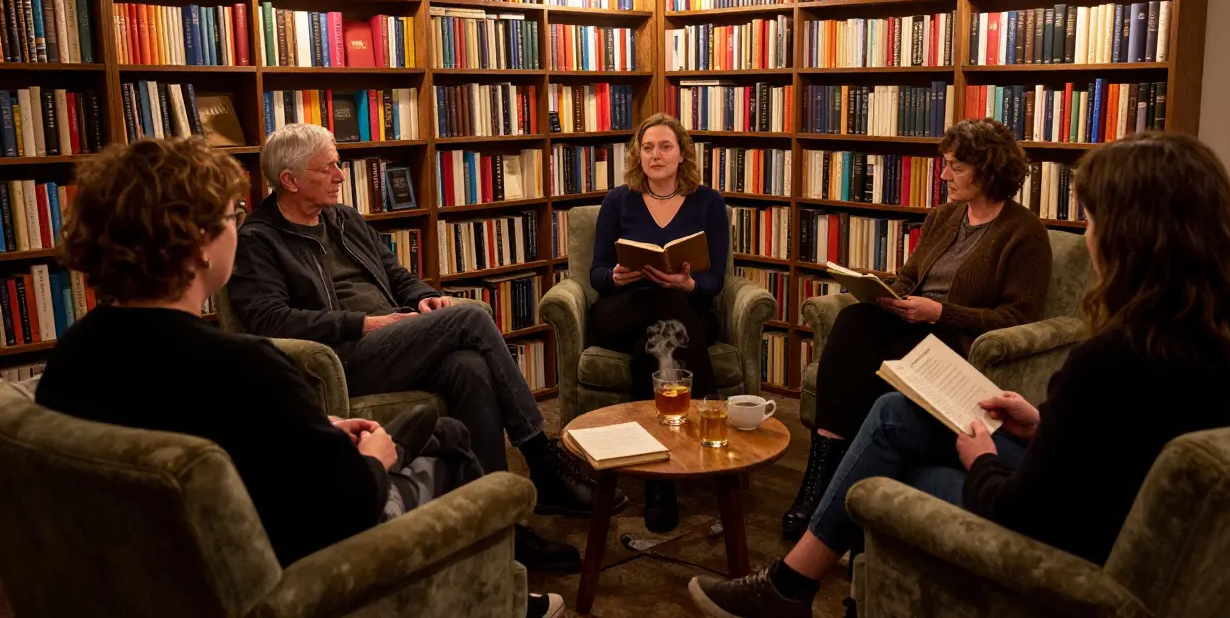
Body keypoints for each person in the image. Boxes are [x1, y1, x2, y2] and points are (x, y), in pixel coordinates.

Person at [689, 132, 1230, 618]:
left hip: (1080, 554)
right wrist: (1041, 422)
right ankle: (798, 581)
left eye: (1093, 219)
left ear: (1132, 239)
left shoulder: (1112, 359)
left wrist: (984, 462)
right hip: (1124, 521)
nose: (1088, 235)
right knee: (892, 407)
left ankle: (792, 585)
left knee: (893, 467)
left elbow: (1024, 511)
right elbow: (1128, 445)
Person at [32, 140, 565, 616]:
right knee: (445, 442)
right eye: (228, 215)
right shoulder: (248, 369)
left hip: (152, 579)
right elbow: (345, 506)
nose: (237, 228)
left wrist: (312, 426)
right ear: (200, 244)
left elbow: (217, 438)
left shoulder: (67, 362)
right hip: (300, 571)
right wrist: (372, 462)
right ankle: (504, 586)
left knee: (458, 377)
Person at [226, 124, 623, 557]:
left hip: (394, 339)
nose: (341, 175)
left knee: (468, 366)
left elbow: (396, 275)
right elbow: (268, 318)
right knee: (470, 317)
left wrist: (426, 298)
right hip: (341, 359)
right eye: (330, 167)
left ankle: (500, 525)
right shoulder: (258, 239)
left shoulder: (344, 219)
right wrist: (361, 324)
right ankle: (541, 458)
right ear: (290, 179)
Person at [783, 118, 1053, 539]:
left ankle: (831, 496)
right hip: (912, 327)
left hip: (954, 342)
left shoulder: (1025, 233)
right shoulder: (944, 217)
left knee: (863, 350)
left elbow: (1018, 317)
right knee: (856, 318)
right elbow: (909, 278)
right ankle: (820, 488)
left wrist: (940, 313)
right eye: (945, 165)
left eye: (955, 167)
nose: (944, 176)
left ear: (990, 168)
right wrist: (886, 293)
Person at [588, 113, 729, 533]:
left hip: (681, 308)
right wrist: (614, 275)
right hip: (622, 309)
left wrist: (687, 282)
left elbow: (714, 281)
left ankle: (657, 484)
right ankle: (712, 413)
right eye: (647, 147)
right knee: (659, 305)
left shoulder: (709, 202)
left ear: (682, 153)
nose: (655, 155)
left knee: (650, 345)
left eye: (665, 146)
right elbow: (596, 272)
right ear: (638, 154)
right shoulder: (619, 199)